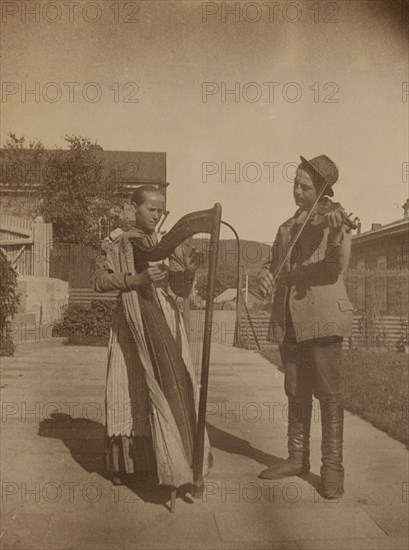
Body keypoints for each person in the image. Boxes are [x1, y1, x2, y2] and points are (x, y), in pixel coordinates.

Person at [92, 185, 211, 488]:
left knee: (172, 380)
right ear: (135, 208)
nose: (157, 216)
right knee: (128, 385)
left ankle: (170, 456)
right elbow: (99, 281)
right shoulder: (116, 242)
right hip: (131, 321)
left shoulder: (171, 244)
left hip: (167, 321)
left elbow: (182, 292)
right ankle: (125, 464)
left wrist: (188, 274)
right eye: (151, 209)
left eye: (162, 211)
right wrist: (135, 280)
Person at [256, 155, 354, 499]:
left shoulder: (334, 221)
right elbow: (273, 264)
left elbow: (334, 267)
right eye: (295, 183)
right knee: (295, 391)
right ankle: (296, 459)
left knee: (328, 395)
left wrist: (335, 229)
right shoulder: (287, 227)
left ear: (323, 190)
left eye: (305, 186)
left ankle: (332, 469)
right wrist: (264, 276)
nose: (297, 190)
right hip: (291, 322)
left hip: (323, 320)